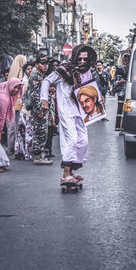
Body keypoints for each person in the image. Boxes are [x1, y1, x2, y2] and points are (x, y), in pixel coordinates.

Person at [41, 44, 97, 182]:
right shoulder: (64, 69)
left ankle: (73, 170)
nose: (82, 62)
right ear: (75, 57)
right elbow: (47, 81)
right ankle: (66, 173)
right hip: (66, 109)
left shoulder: (87, 71)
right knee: (71, 139)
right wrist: (44, 99)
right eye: (80, 59)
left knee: (82, 141)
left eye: (85, 59)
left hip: (80, 110)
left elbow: (88, 89)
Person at [29, 55, 53, 165]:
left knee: (43, 132)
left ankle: (40, 155)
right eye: (43, 64)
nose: (45, 66)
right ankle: (37, 156)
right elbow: (34, 95)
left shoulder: (43, 76)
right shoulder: (35, 76)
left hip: (45, 108)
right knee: (39, 132)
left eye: (47, 64)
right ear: (37, 65)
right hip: (39, 109)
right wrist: (39, 111)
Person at [0, 78, 22, 143]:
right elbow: (1, 117)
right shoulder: (4, 99)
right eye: (14, 87)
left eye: (19, 88)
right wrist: (0, 133)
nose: (16, 90)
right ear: (10, 86)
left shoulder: (4, 87)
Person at [14, 63, 33, 160]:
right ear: (24, 70)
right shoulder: (25, 82)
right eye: (28, 69)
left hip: (24, 109)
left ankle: (20, 152)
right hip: (26, 110)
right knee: (27, 132)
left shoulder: (28, 80)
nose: (30, 70)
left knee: (22, 132)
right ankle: (27, 154)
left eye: (31, 69)